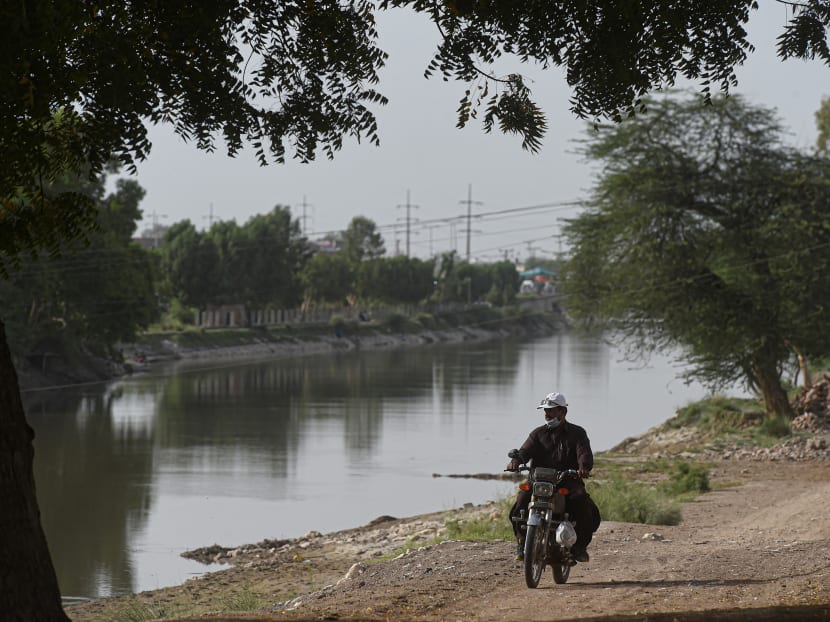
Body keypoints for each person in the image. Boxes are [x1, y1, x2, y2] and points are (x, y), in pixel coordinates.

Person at [506, 391, 600, 563]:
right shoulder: (538, 433)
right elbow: (525, 450)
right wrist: (515, 461)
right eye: (545, 410)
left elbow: (583, 453)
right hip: (539, 480)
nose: (546, 414)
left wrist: (583, 468)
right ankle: (521, 543)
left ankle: (579, 547)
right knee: (521, 501)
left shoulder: (578, 433)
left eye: (551, 410)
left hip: (568, 480)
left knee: (580, 501)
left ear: (562, 412)